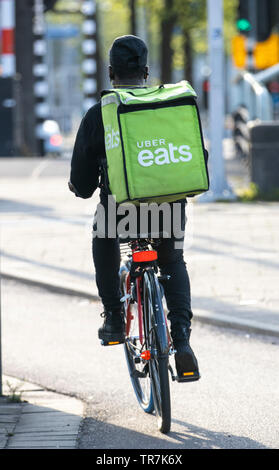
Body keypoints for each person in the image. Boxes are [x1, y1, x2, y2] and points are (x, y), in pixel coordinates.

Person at [69, 35, 199, 378]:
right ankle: (182, 341)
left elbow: (82, 183)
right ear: (146, 71)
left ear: (111, 72)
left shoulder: (101, 113)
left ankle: (113, 317)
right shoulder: (169, 105)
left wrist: (80, 187)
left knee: (103, 237)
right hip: (169, 209)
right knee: (172, 260)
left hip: (120, 211)